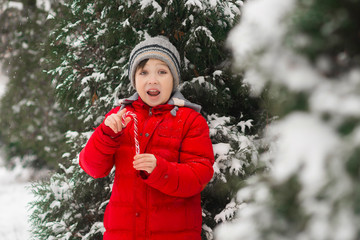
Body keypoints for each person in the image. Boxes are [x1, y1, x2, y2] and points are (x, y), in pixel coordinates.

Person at [79, 36, 215, 240]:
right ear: (135, 80)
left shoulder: (190, 120)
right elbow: (93, 167)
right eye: (143, 72)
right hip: (124, 233)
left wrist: (160, 170)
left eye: (162, 71)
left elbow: (199, 176)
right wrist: (106, 135)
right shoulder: (120, 117)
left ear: (174, 79)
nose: (152, 80)